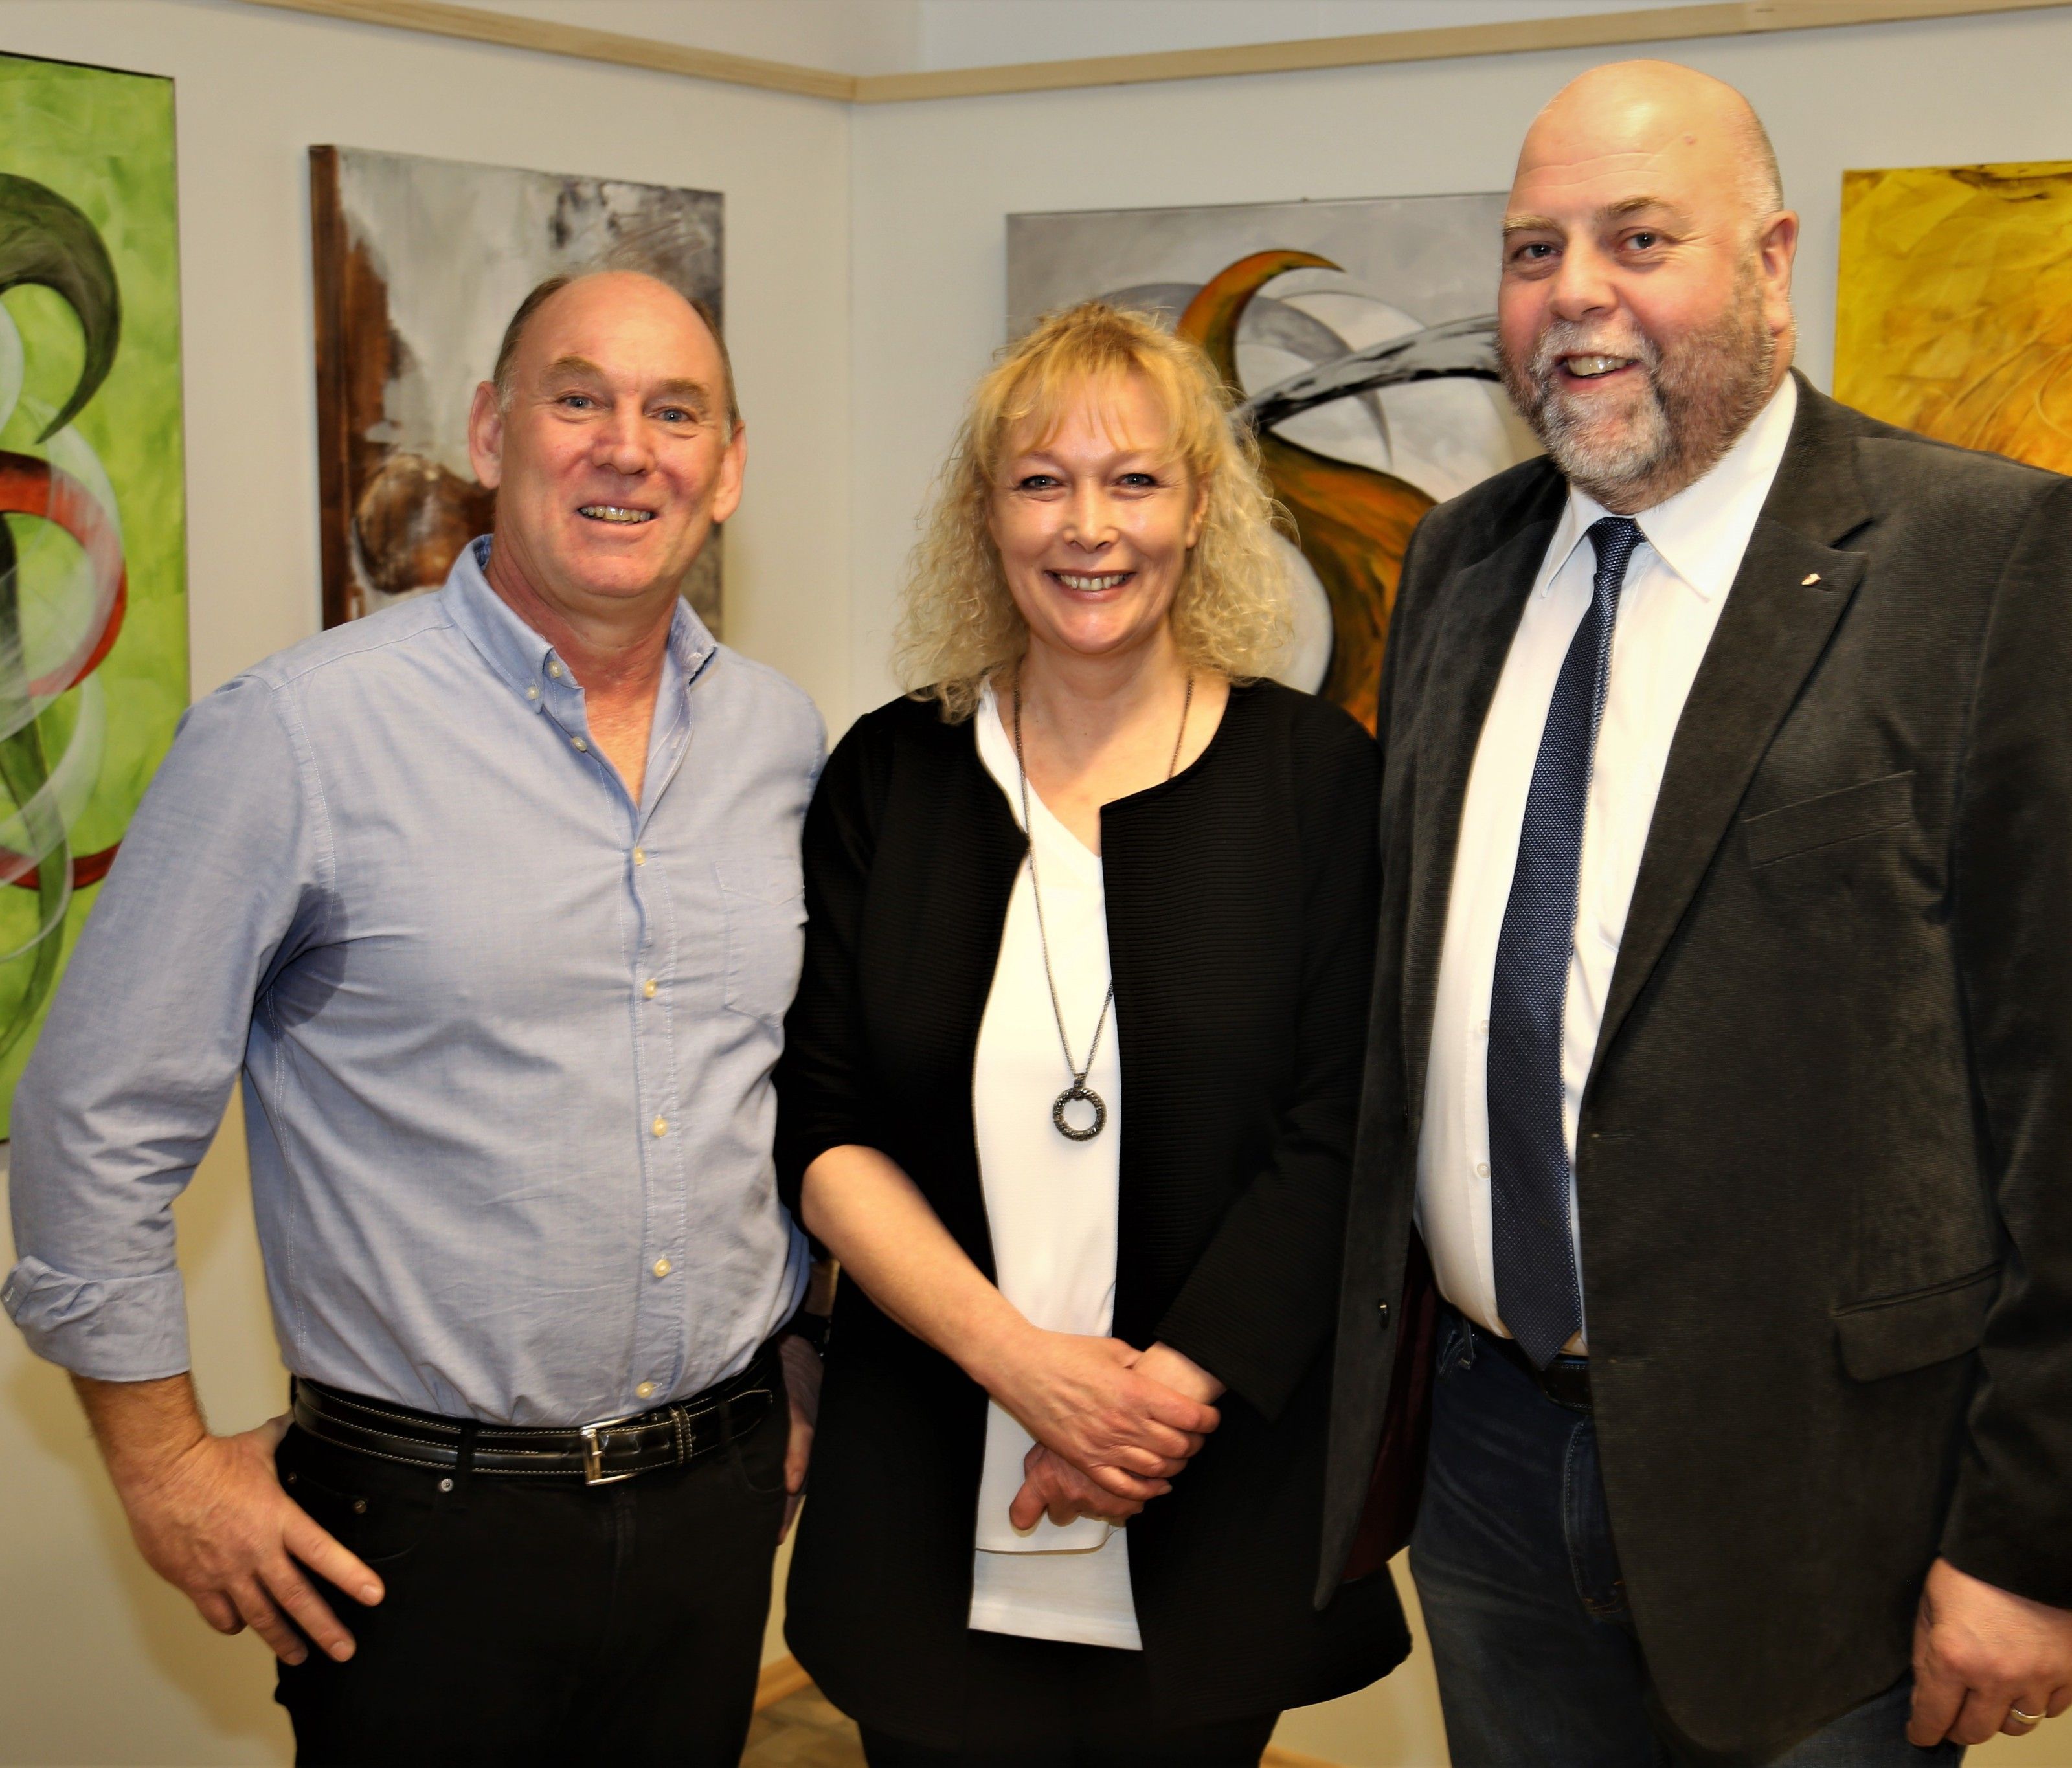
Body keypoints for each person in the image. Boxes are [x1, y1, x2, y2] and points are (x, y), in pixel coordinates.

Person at [1320, 58, 2072, 1766]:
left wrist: (2031, 1541)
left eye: (1638, 236)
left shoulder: (1983, 559)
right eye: (1533, 248)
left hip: (1825, 1504)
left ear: (1771, 258)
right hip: (1492, 1469)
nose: (1574, 293)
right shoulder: (1462, 562)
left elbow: (2060, 1092)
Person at [3, 269, 828, 1766]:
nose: (624, 446)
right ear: (491, 432)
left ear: (728, 466)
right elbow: (91, 1122)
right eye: (577, 398)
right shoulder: (297, 737)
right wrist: (169, 1467)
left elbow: (798, 1098)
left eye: (674, 411)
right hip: (422, 1538)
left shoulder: (782, 741)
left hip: (717, 1502)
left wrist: (808, 1371)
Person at [774, 302, 1405, 1765]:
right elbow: (822, 1124)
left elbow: (1343, 1134)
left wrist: (1140, 1412)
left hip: (1200, 1498)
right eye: (1041, 478)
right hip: (931, 1492)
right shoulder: (893, 772)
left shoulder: (1312, 780)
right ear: (982, 515)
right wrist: (1022, 1364)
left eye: (1134, 479)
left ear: (1200, 509)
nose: (1088, 525)